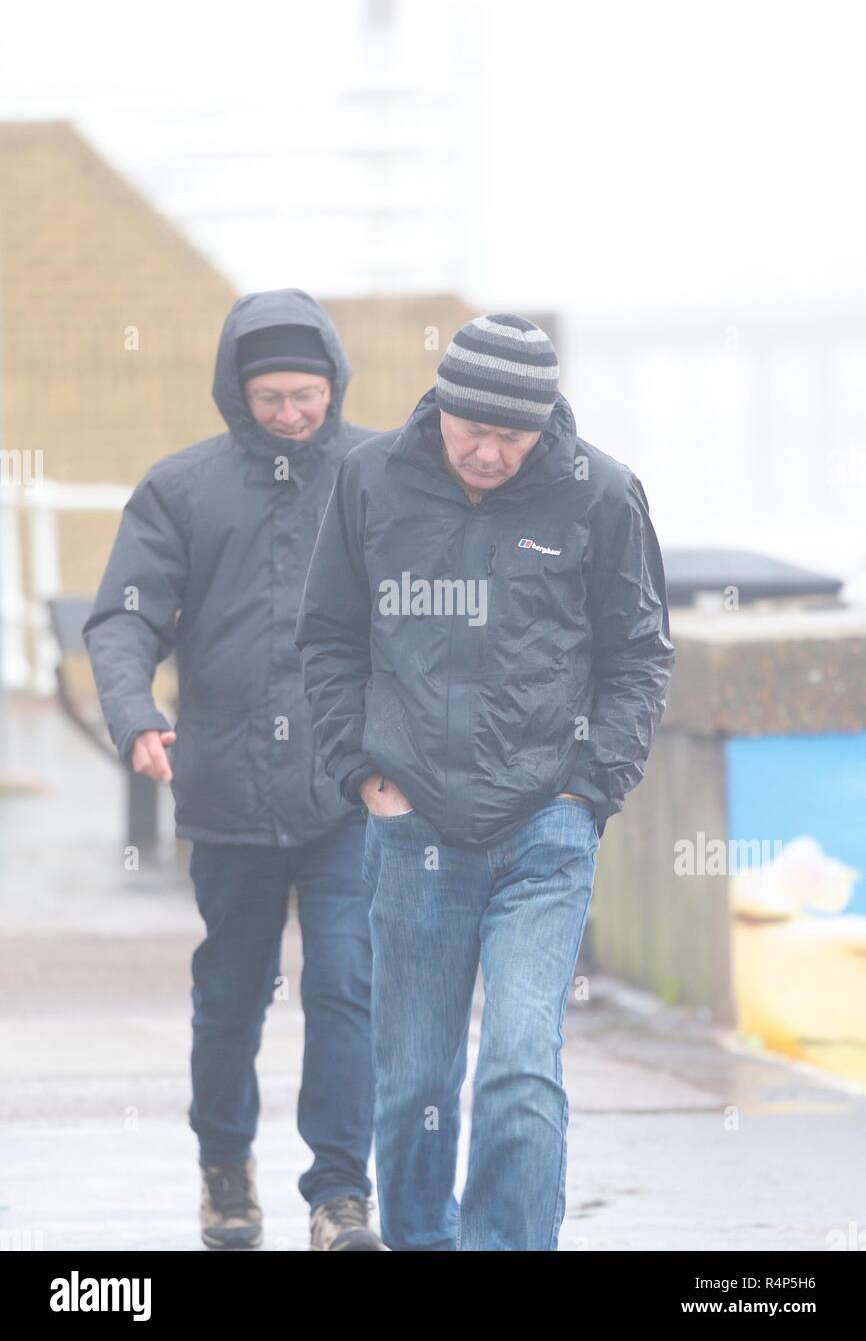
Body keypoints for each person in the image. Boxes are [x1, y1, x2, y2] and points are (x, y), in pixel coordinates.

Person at [295, 313, 676, 1251]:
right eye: (474, 430)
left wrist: (587, 792)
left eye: (514, 435)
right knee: (416, 1081)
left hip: (546, 827)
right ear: (443, 408)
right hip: (412, 828)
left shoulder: (601, 494)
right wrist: (364, 777)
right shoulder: (371, 480)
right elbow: (329, 638)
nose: (490, 453)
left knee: (519, 1064)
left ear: (546, 423)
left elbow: (639, 655)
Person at [84, 289, 387, 1251]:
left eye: (306, 395)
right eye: (270, 398)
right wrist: (135, 714)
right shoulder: (181, 488)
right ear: (236, 393)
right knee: (231, 994)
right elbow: (123, 617)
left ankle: (340, 1195)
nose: (290, 414)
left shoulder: (381, 477)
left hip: (351, 790)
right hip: (225, 789)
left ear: (335, 385)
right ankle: (224, 1168)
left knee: (346, 984)